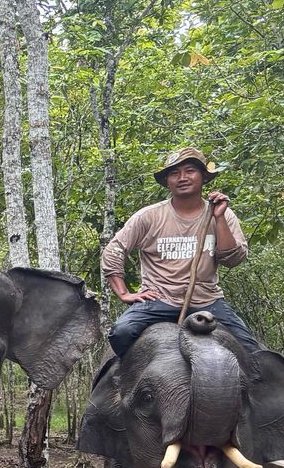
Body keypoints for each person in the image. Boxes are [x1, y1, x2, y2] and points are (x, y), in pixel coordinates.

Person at [103, 146, 260, 357]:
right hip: (158, 299)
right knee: (121, 333)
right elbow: (114, 249)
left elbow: (232, 259)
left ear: (204, 176)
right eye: (174, 173)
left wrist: (219, 217)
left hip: (208, 299)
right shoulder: (149, 216)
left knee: (251, 350)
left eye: (190, 171)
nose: (182, 178)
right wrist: (123, 293)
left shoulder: (223, 214)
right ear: (167, 181)